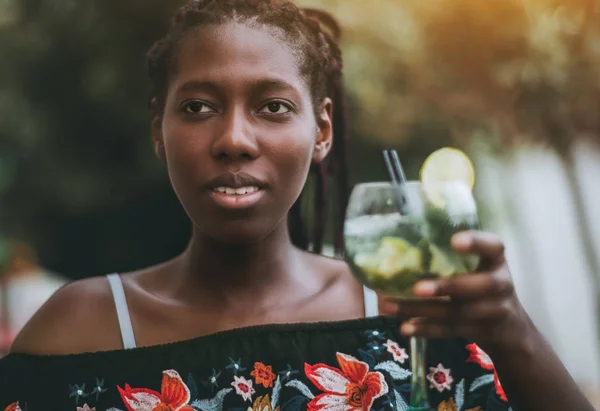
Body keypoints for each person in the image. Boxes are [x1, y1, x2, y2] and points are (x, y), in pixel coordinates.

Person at [0, 1, 594, 410]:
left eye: (274, 107)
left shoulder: (412, 316)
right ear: (159, 130)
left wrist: (510, 330)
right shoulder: (79, 328)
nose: (234, 138)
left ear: (322, 132)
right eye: (199, 106)